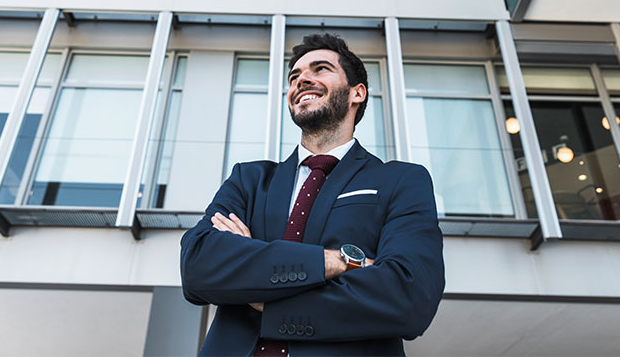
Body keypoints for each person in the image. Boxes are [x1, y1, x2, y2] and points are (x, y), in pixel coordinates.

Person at [180, 33, 444, 356]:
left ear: (356, 93)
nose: (302, 79)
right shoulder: (249, 180)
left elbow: (409, 296)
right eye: (294, 76)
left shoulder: (401, 180)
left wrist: (259, 286)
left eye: (320, 69)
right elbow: (197, 266)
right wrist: (336, 260)